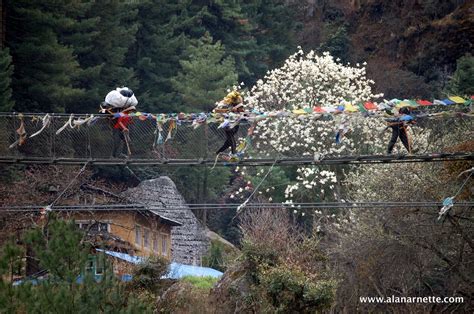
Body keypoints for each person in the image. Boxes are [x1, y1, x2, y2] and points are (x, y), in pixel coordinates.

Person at [215, 91, 244, 157]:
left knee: (228, 142)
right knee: (231, 139)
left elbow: (242, 111)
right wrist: (230, 110)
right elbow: (217, 111)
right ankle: (234, 154)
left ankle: (218, 153)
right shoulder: (226, 105)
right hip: (228, 125)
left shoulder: (239, 106)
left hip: (235, 124)